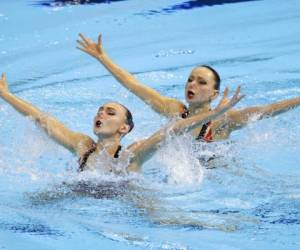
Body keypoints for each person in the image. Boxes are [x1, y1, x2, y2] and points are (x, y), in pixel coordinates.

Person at [0, 73, 243, 174]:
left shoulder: (131, 154)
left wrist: (215, 114)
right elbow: (44, 121)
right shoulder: (83, 146)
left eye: (110, 112)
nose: (101, 115)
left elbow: (172, 130)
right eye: (100, 111)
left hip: (130, 206)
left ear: (123, 128)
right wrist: (7, 95)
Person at [77, 33, 300, 142]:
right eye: (190, 79)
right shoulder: (174, 110)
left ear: (214, 94)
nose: (192, 84)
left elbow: (271, 109)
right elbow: (133, 84)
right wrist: (102, 57)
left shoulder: (223, 120)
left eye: (201, 82)